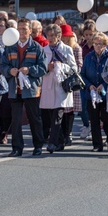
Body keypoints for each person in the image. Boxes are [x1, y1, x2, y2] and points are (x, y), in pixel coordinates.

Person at [0, 18, 48, 156]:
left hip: (31, 89)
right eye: (19, 29)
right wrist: (10, 71)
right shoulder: (10, 47)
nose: (21, 32)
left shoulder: (37, 47)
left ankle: (38, 146)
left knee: (34, 118)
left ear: (30, 31)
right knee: (16, 120)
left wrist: (30, 70)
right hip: (15, 88)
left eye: (24, 29)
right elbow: (2, 65)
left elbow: (43, 68)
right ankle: (16, 148)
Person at [39, 24, 76, 153]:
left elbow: (73, 69)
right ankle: (60, 141)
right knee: (50, 115)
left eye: (52, 36)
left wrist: (61, 67)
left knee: (57, 115)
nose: (50, 38)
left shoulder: (67, 50)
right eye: (48, 35)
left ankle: (52, 143)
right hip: (48, 86)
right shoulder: (43, 50)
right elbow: (39, 69)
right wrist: (47, 68)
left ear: (59, 36)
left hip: (61, 86)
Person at [81, 32, 108, 152]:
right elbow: (82, 74)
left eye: (100, 44)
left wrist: (103, 85)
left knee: (107, 118)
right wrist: (89, 86)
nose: (98, 46)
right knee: (93, 120)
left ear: (105, 44)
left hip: (106, 95)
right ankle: (97, 144)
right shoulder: (89, 56)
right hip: (91, 94)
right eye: (95, 43)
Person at [61, 23, 84, 143]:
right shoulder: (58, 48)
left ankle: (68, 133)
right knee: (61, 109)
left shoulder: (76, 48)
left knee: (70, 109)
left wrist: (68, 71)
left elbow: (79, 65)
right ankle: (62, 133)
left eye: (66, 36)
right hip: (59, 82)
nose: (64, 39)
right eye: (62, 36)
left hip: (71, 82)